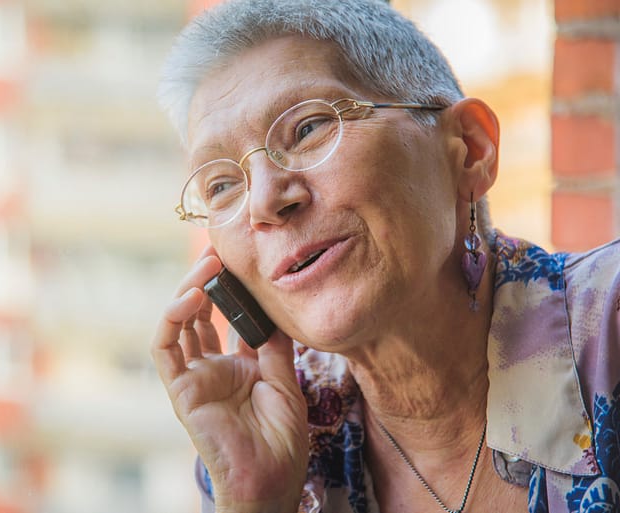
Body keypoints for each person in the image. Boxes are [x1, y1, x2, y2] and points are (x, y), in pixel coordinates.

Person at [150, 0, 620, 512]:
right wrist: (255, 501)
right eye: (222, 184)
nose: (264, 202)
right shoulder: (269, 441)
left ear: (470, 147)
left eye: (308, 129)